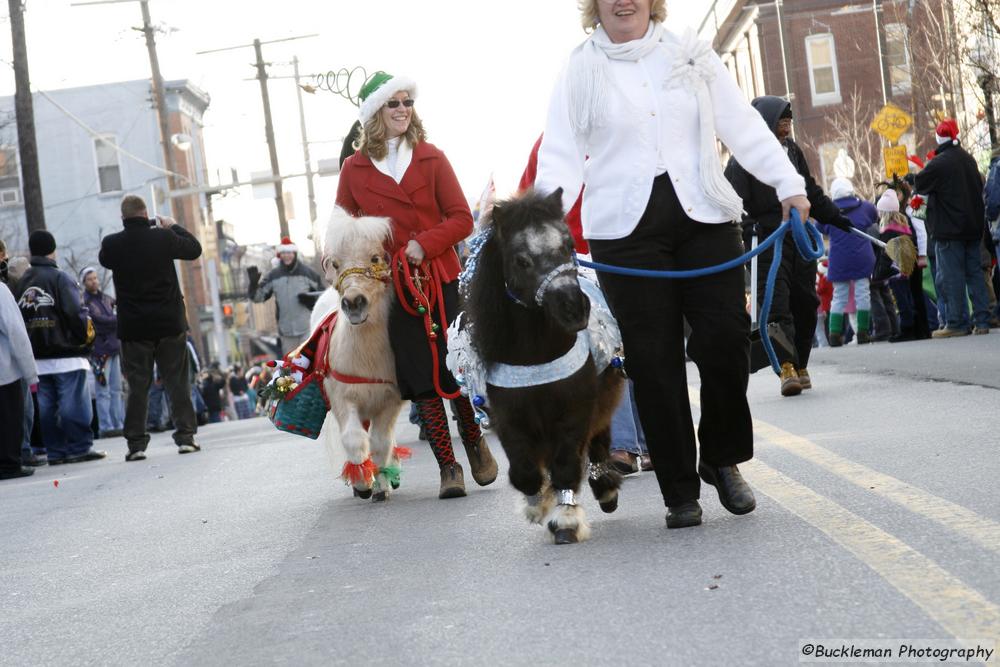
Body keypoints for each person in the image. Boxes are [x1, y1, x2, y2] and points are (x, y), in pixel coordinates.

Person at [533, 1, 810, 528]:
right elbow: (560, 157)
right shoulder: (579, 69)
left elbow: (740, 123)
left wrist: (788, 184)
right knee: (653, 361)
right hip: (624, 231)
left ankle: (721, 458)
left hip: (703, 214)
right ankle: (679, 490)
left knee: (727, 339)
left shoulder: (688, 52)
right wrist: (540, 227)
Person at [336, 70, 498, 499]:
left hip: (439, 277)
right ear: (375, 113)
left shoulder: (431, 157)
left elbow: (461, 217)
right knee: (420, 374)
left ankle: (475, 443)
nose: (403, 110)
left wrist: (423, 245)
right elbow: (342, 225)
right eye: (394, 103)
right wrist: (335, 254)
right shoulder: (354, 169)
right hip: (392, 288)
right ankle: (449, 467)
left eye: (407, 102)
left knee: (454, 366)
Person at [726, 96, 852, 396]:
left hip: (797, 236)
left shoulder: (792, 151)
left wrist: (835, 216)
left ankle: (802, 361)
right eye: (782, 117)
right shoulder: (743, 158)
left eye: (790, 117)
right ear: (766, 121)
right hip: (767, 240)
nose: (788, 123)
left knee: (806, 303)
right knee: (776, 303)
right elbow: (731, 203)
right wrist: (747, 227)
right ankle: (786, 367)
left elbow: (808, 189)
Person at [99, 194, 203, 461]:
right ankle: (186, 438)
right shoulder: (163, 237)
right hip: (169, 323)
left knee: (137, 386)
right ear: (147, 215)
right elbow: (194, 249)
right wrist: (172, 226)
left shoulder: (112, 244)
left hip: (134, 328)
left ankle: (135, 445)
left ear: (123, 218)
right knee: (176, 382)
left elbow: (104, 259)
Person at [15, 230, 106, 465]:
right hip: (66, 354)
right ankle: (79, 447)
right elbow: (76, 313)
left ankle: (55, 451)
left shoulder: (21, 283)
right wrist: (86, 340)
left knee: (46, 407)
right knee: (73, 403)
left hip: (37, 357)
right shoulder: (60, 278)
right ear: (53, 250)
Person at [915, 119, 992, 337]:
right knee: (974, 274)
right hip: (972, 229)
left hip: (949, 230)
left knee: (952, 276)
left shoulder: (940, 162)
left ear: (939, 138)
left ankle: (957, 323)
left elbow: (921, 183)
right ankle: (982, 320)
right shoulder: (968, 160)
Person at [822, 178, 876, 346]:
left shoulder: (828, 212)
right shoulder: (865, 207)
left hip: (839, 260)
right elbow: (874, 217)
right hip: (862, 258)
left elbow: (819, 227)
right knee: (862, 294)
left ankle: (834, 335)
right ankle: (862, 332)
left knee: (838, 297)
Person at [247, 237, 324, 355]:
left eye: (289, 253)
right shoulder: (274, 276)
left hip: (307, 328)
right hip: (286, 332)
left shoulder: (308, 273)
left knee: (308, 362)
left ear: (294, 253)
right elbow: (258, 297)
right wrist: (253, 285)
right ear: (279, 255)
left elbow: (323, 296)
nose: (286, 256)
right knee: (289, 367)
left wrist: (311, 301)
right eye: (283, 253)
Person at [1, 275, 39, 479]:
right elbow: (16, 332)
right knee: (10, 418)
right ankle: (9, 463)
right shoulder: (1, 291)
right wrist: (30, 372)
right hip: (4, 371)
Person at [80, 267, 125, 437]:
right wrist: (115, 320)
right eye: (90, 279)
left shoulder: (106, 298)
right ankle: (106, 427)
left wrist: (113, 321)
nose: (94, 281)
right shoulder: (85, 301)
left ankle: (119, 423)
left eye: (95, 278)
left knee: (116, 390)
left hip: (113, 349)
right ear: (84, 282)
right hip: (100, 353)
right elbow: (99, 321)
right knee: (103, 391)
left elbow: (114, 317)